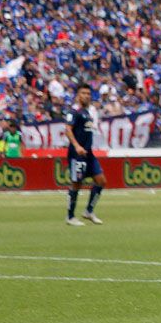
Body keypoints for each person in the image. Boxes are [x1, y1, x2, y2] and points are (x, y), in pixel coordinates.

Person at [65, 84, 107, 226]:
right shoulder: (74, 111)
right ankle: (70, 216)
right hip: (77, 153)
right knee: (77, 183)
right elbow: (68, 129)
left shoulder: (87, 113)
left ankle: (89, 211)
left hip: (89, 153)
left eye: (88, 93)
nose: (87, 96)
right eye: (83, 93)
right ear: (78, 95)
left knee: (101, 180)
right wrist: (77, 146)